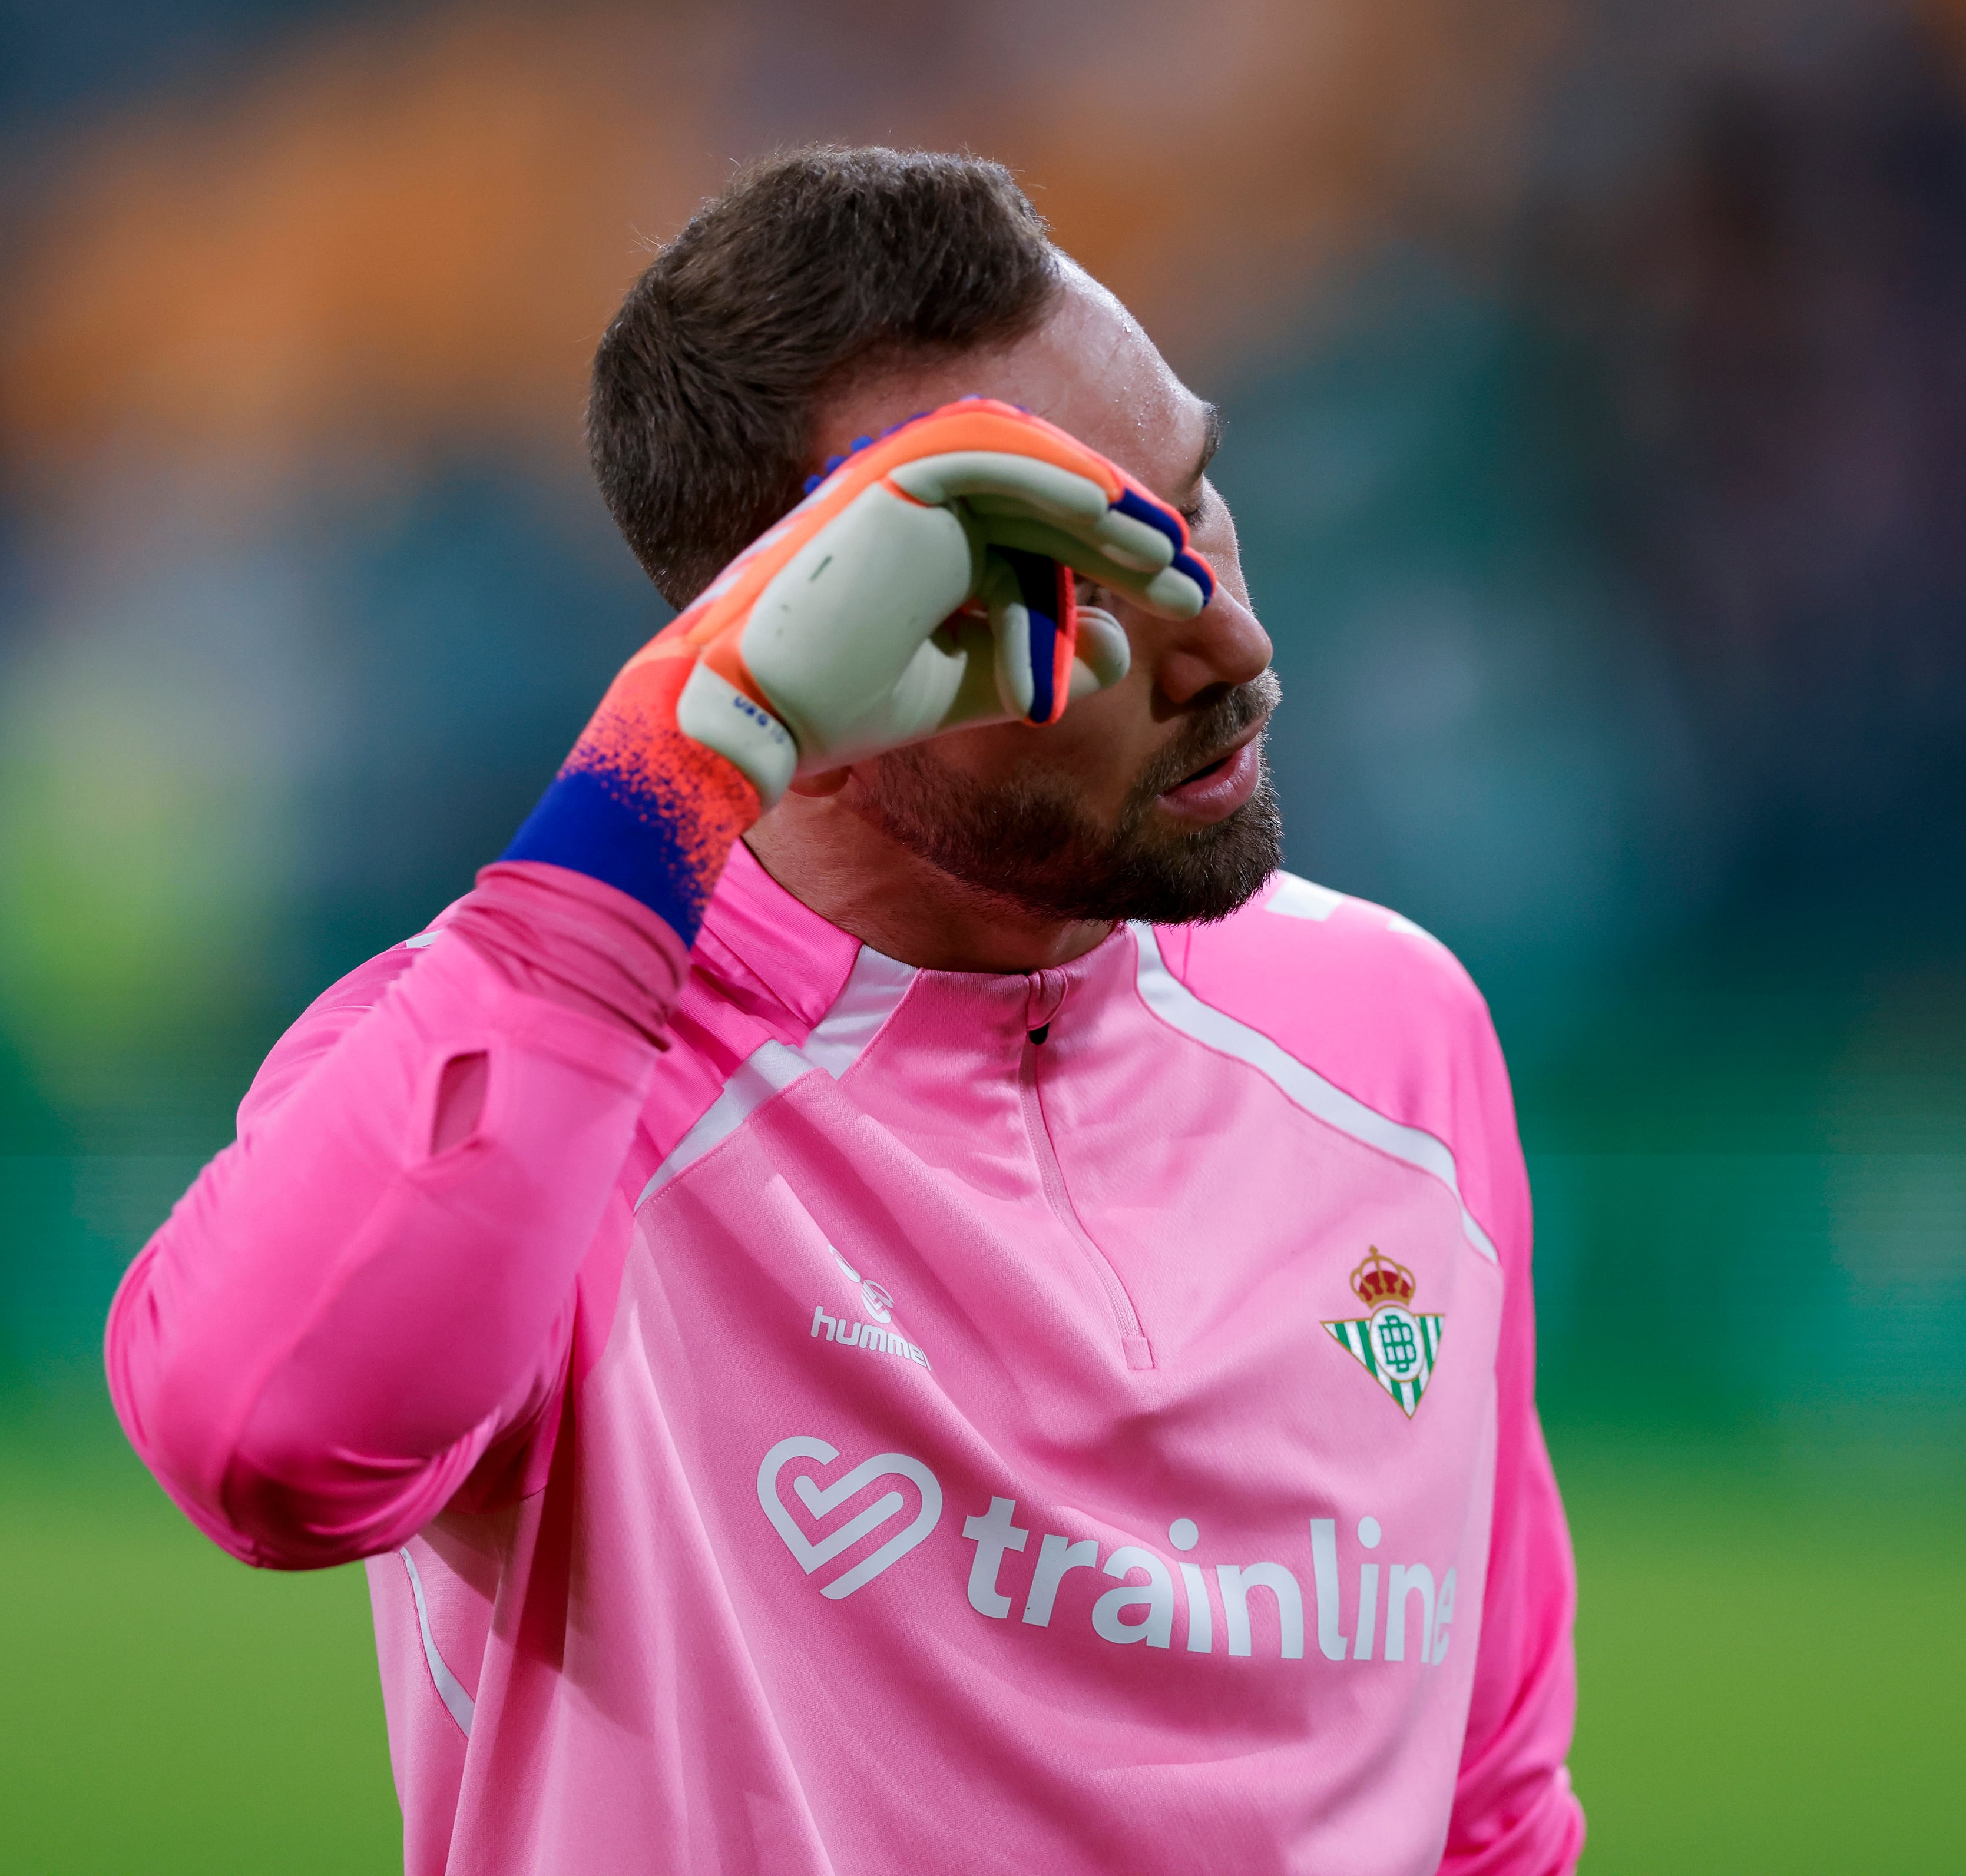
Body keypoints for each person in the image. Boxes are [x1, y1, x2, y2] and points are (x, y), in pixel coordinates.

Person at [106, 145, 1583, 1875]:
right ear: (820, 652)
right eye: (1069, 589)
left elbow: (1487, 1808)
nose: (1230, 644)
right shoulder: (546, 1061)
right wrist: (680, 755)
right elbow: (264, 1447)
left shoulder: (1389, 1031)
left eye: (1200, 498)